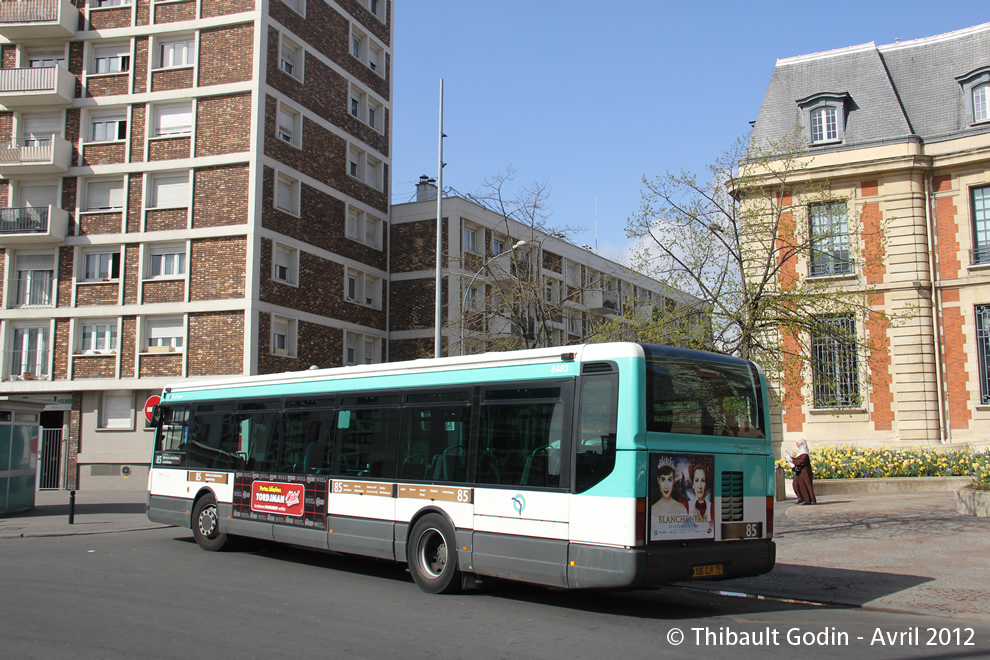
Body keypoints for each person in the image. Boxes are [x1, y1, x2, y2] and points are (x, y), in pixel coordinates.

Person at [687, 458, 714, 533]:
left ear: (706, 484)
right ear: (692, 483)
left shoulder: (712, 508)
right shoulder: (685, 507)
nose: (699, 486)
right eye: (696, 480)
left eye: (703, 481)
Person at [790, 437, 817, 505]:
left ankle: (807, 499)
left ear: (801, 444)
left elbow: (802, 461)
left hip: (804, 472)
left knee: (804, 485)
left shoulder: (804, 453)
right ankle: (801, 498)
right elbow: (798, 460)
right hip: (800, 472)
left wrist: (793, 461)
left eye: (797, 443)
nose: (796, 445)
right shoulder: (800, 452)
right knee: (796, 484)